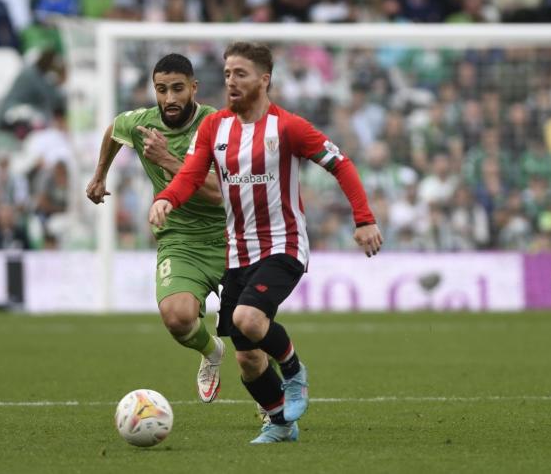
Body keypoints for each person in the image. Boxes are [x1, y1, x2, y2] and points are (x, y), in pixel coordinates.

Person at [149, 42, 382, 443]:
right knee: (247, 358)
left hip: (283, 245)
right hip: (237, 252)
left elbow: (340, 163)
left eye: (240, 74)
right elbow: (190, 173)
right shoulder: (214, 128)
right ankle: (280, 424)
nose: (231, 82)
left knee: (248, 319)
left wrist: (363, 219)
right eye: (226, 75)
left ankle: (294, 372)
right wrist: (166, 198)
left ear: (264, 80)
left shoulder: (288, 127)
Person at [86, 54, 228, 403]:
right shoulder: (143, 124)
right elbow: (115, 130)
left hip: (232, 237)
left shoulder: (217, 125)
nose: (169, 98)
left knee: (251, 329)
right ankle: (212, 352)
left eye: (178, 89)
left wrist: (167, 159)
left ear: (193, 87)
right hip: (180, 240)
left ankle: (269, 403)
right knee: (177, 318)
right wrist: (100, 174)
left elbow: (220, 194)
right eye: (161, 89)